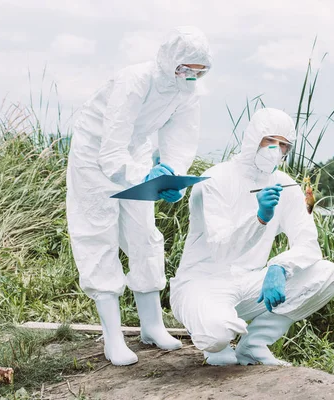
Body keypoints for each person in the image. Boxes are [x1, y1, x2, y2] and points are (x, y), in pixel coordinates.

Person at [66, 26, 212, 366]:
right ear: (169, 60)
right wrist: (144, 175)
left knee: (144, 234)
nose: (191, 75)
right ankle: (113, 338)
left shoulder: (188, 92)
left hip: (134, 152)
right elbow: (111, 151)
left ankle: (152, 326)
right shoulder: (135, 80)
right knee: (97, 235)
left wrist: (170, 175)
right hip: (94, 153)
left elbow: (180, 140)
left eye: (199, 70)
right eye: (185, 68)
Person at [170, 108, 334, 366]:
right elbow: (221, 249)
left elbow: (308, 242)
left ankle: (254, 344)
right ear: (253, 139)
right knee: (216, 335)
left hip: (250, 283)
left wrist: (280, 266)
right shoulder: (214, 179)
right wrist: (260, 217)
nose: (276, 150)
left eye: (283, 145)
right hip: (202, 283)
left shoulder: (286, 185)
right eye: (269, 141)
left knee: (327, 274)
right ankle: (218, 344)